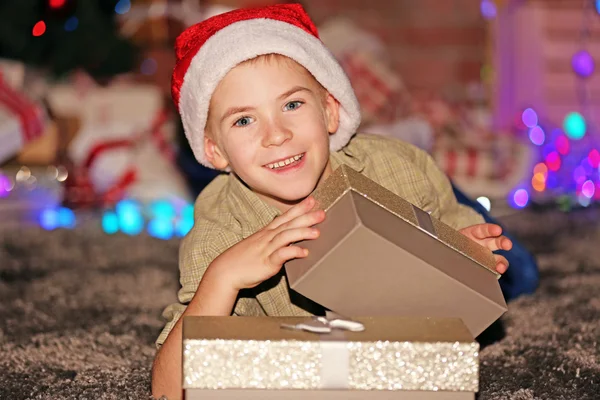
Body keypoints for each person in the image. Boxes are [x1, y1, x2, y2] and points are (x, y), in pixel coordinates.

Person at [151, 4, 513, 399]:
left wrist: (466, 252)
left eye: (292, 105)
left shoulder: (398, 169)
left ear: (329, 110)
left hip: (413, 205)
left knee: (518, 270)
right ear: (214, 151)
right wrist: (222, 278)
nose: (276, 135)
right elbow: (169, 391)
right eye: (244, 120)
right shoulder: (218, 232)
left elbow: (464, 262)